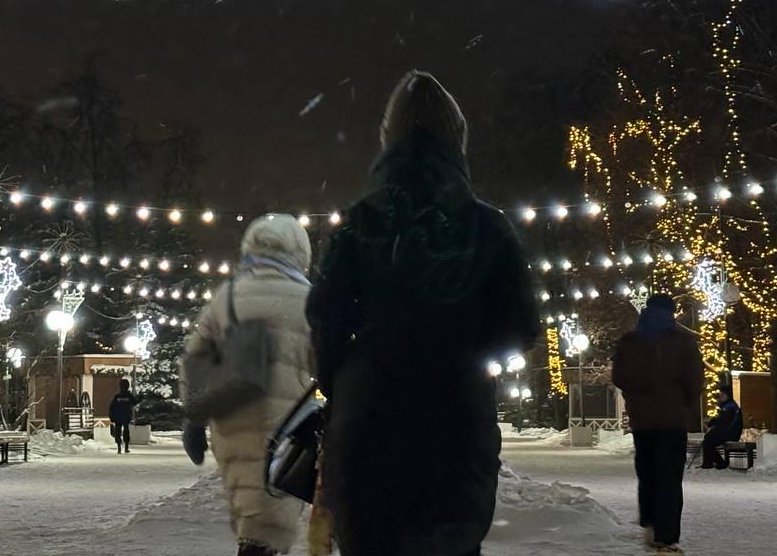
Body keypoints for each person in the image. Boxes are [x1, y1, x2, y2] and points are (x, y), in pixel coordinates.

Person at [307, 71, 540, 556]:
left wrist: (344, 380)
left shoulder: (357, 225)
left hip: (368, 420)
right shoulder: (487, 228)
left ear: (386, 140)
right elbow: (520, 326)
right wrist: (469, 354)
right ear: (458, 140)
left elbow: (327, 323)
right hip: (455, 420)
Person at [181, 214, 314, 556]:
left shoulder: (226, 297)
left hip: (231, 417)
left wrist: (194, 419)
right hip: (290, 426)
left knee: (250, 514)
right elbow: (328, 365)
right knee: (271, 520)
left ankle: (255, 543)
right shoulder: (311, 300)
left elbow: (195, 360)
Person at [611, 293, 705, 555]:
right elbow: (695, 379)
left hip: (642, 421)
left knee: (648, 471)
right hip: (672, 420)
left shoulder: (630, 342)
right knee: (670, 477)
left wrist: (636, 395)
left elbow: (618, 376)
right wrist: (682, 402)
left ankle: (650, 521)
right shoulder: (683, 341)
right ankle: (666, 536)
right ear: (671, 312)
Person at [700, 386, 742, 470]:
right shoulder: (725, 406)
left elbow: (724, 422)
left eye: (723, 394)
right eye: (720, 394)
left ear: (728, 395)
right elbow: (718, 419)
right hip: (727, 432)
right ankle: (719, 463)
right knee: (708, 439)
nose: (721, 396)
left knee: (709, 439)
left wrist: (713, 428)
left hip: (731, 434)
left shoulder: (730, 406)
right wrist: (710, 424)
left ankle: (710, 464)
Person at [109, 378, 141, 454]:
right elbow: (134, 402)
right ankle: (126, 447)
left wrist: (111, 416)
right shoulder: (129, 395)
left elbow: (111, 406)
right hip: (126, 416)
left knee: (118, 431)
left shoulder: (117, 396)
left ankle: (119, 447)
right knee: (126, 431)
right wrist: (140, 398)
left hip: (117, 417)